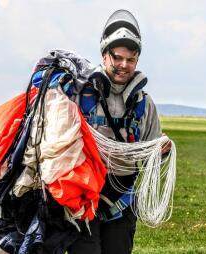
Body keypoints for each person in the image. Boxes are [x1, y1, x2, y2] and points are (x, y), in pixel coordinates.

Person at [67, 9, 171, 254]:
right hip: (83, 199)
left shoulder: (144, 104)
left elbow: (149, 150)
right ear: (104, 56)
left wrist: (162, 151)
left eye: (131, 60)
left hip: (122, 202)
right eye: (118, 58)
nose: (124, 65)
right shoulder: (79, 95)